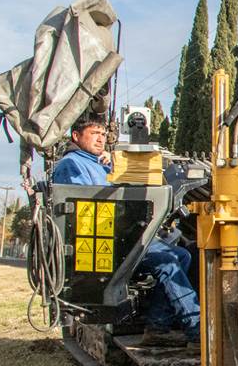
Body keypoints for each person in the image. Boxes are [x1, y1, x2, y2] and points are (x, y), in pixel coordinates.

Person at [53, 117, 200, 347]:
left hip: (123, 235)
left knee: (183, 255)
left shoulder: (101, 164)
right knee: (168, 263)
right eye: (94, 133)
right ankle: (197, 331)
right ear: (76, 136)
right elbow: (85, 211)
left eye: (103, 134)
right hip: (106, 242)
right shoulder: (71, 165)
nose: (101, 138)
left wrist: (116, 169)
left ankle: (157, 326)